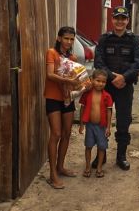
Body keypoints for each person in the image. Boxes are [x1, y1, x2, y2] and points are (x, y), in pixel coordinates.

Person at [93, 6, 139, 170]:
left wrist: (124, 77)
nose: (120, 21)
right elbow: (99, 63)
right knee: (101, 120)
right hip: (106, 86)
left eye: (123, 18)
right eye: (117, 18)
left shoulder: (134, 39)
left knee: (123, 121)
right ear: (112, 19)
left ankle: (121, 156)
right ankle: (102, 155)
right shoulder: (104, 38)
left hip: (125, 86)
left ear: (127, 20)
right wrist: (114, 77)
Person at [44, 26, 82, 189]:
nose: (68, 41)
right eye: (66, 38)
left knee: (67, 133)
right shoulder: (51, 52)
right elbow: (50, 74)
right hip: (53, 97)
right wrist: (68, 81)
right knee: (56, 134)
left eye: (72, 39)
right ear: (59, 38)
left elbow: (75, 76)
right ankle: (52, 174)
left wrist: (80, 83)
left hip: (67, 98)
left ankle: (60, 167)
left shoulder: (72, 57)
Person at [78, 69, 113, 178]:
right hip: (90, 126)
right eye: (98, 81)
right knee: (88, 146)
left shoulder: (107, 96)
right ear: (92, 80)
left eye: (103, 82)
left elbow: (109, 112)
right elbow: (82, 109)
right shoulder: (86, 94)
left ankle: (99, 168)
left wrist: (108, 127)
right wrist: (81, 124)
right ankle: (88, 167)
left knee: (102, 147)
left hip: (102, 127)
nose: (100, 84)